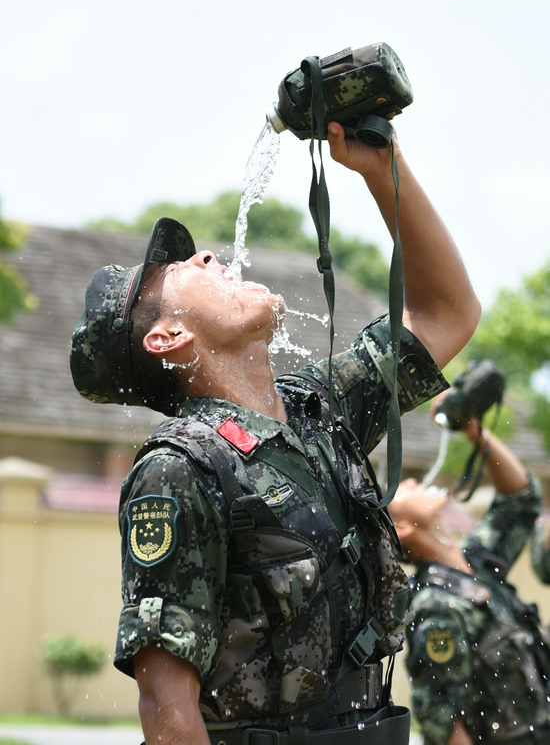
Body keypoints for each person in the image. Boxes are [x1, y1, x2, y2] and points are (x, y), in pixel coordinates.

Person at [70, 121, 480, 745]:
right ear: (168, 338)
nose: (207, 256)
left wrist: (383, 169)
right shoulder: (182, 467)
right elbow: (164, 698)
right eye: (181, 268)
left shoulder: (322, 408)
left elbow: (447, 312)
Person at [390, 412, 550, 745]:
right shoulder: (436, 607)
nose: (408, 481)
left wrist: (474, 432)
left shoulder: (477, 563)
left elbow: (521, 499)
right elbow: (446, 724)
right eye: (399, 489)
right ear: (402, 529)